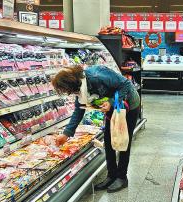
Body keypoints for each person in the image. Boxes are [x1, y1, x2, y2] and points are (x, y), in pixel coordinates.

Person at [52, 65, 140, 193]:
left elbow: (125, 84)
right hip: (112, 108)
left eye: (66, 90)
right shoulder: (80, 88)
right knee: (108, 142)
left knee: (123, 141)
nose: (68, 93)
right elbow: (79, 109)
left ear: (71, 83)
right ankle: (111, 176)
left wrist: (110, 102)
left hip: (128, 105)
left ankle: (122, 177)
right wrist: (66, 134)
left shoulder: (96, 76)